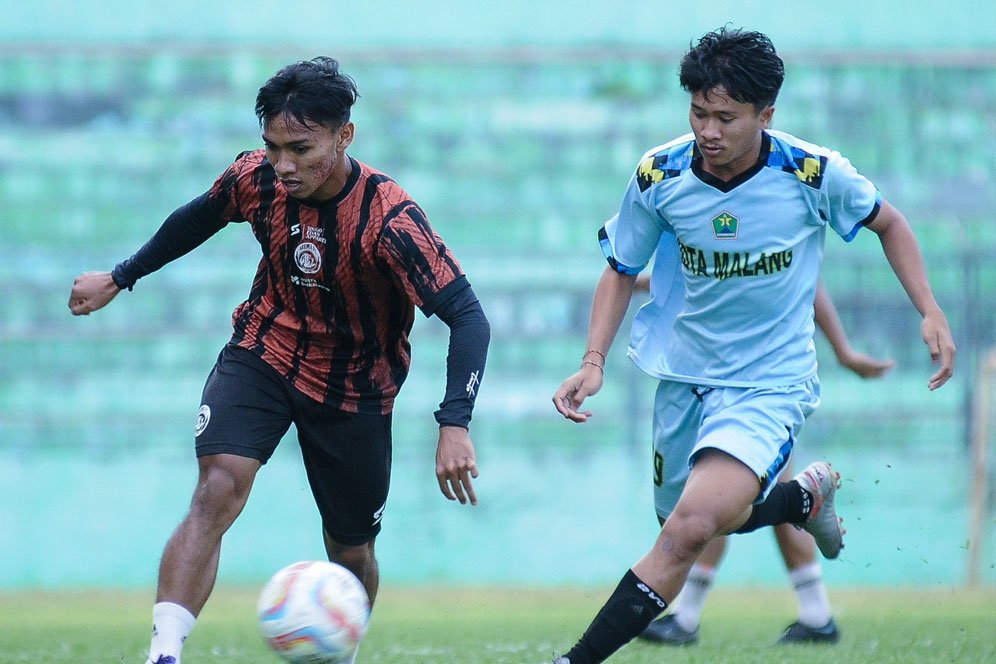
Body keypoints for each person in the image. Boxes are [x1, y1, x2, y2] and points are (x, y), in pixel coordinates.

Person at [550, 27, 954, 664]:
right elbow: (621, 269)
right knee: (681, 523)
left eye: (726, 117)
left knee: (687, 532)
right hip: (683, 379)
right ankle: (801, 499)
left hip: (769, 385)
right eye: (698, 113)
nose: (708, 131)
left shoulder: (812, 172)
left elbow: (890, 222)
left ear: (766, 114)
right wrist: (592, 363)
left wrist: (929, 310)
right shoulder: (660, 174)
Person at [68, 57, 490, 664]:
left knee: (350, 550)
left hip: (355, 389)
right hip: (263, 352)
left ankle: (336, 651)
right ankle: (162, 654)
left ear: (345, 135)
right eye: (272, 147)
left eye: (301, 148)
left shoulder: (390, 219)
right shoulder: (256, 179)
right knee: (217, 487)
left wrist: (455, 421)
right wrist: (121, 276)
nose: (284, 165)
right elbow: (197, 218)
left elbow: (468, 316)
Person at [633, 276, 893, 645]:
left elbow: (808, 280)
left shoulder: (762, 230)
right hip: (720, 381)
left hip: (758, 388)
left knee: (712, 493)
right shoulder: (723, 232)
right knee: (762, 496)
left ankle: (688, 617)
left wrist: (844, 351)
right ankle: (815, 612)